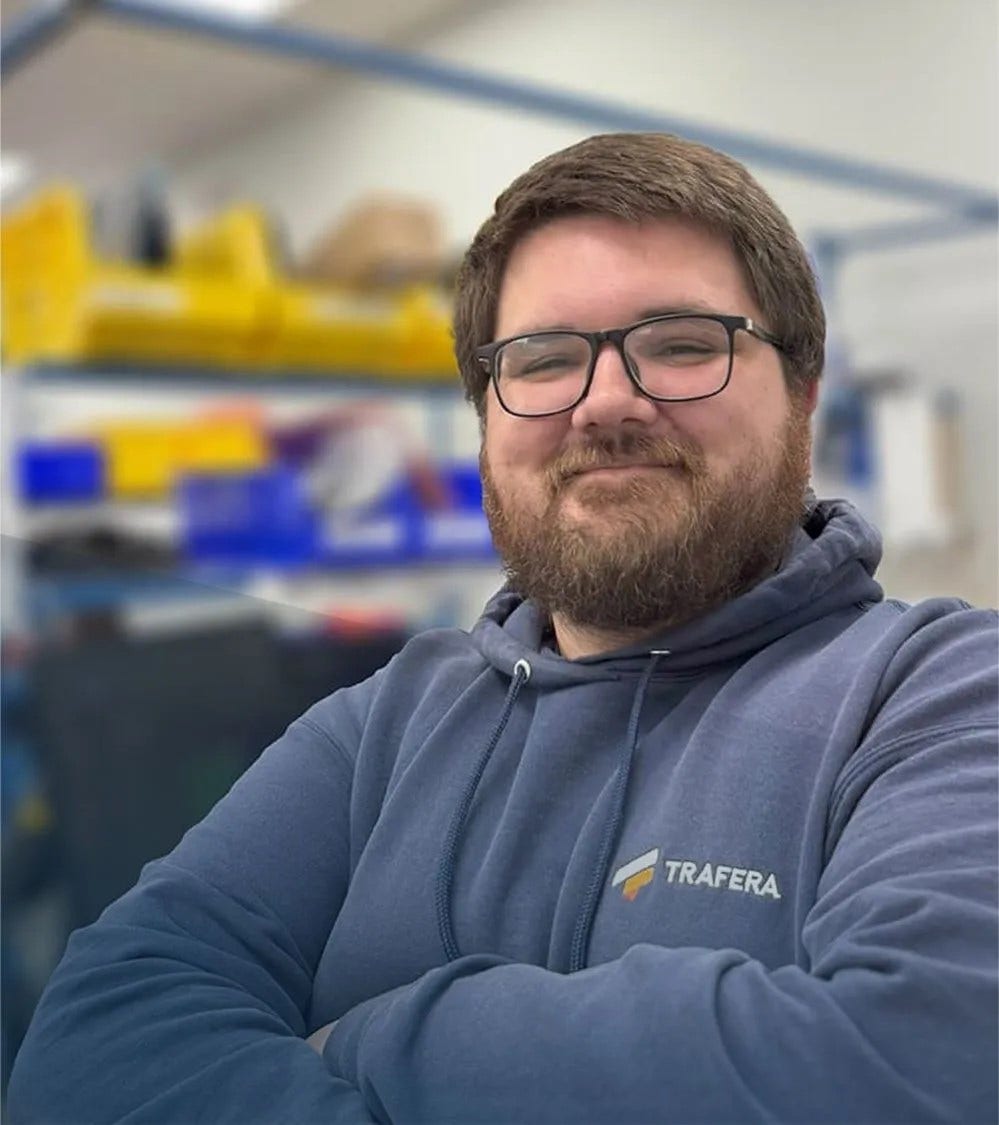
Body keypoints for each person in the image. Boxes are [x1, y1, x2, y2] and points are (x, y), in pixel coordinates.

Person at [9, 133, 997, 1124]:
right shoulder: (386, 725)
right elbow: (91, 1053)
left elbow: (924, 1067)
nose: (605, 402)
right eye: (544, 358)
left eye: (683, 343)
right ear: (487, 418)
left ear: (804, 395)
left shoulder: (937, 692)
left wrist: (368, 1040)